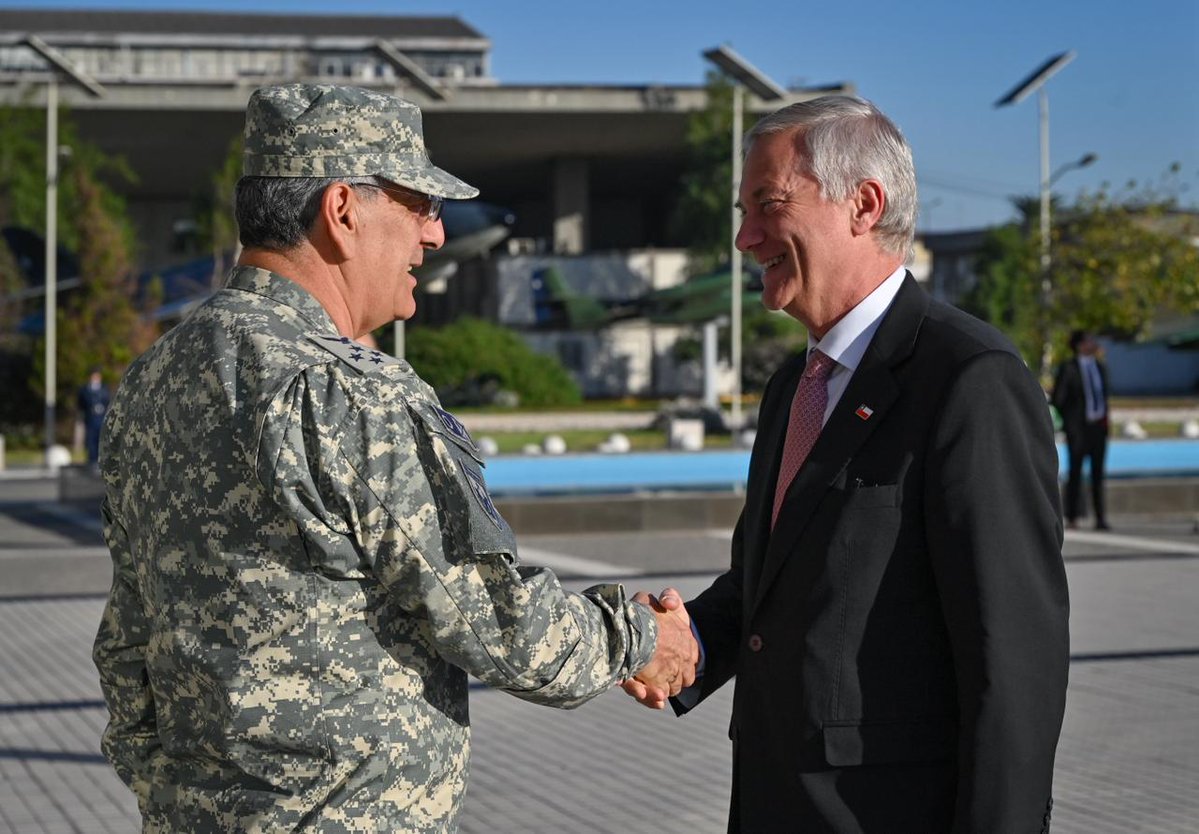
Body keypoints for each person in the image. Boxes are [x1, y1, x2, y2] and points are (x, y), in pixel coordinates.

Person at [92, 83, 696, 832]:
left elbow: (127, 638)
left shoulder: (154, 378)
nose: (434, 236)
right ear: (343, 212)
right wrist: (639, 638)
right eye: (420, 205)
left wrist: (168, 792)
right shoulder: (343, 391)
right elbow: (493, 620)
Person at [623, 96, 1070, 833]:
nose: (744, 237)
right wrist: (684, 643)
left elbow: (1011, 658)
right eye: (743, 212)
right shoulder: (792, 389)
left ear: (863, 204)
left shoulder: (967, 379)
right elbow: (767, 585)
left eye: (767, 205)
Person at [1052, 329, 1111, 530]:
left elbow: (1103, 396)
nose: (1092, 344)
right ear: (1078, 345)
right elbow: (1059, 398)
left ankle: (1100, 517)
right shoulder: (1068, 368)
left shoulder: (1100, 367)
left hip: (1098, 428)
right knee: (1076, 473)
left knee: (1098, 474)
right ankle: (1072, 516)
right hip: (1078, 429)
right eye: (1088, 341)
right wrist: (1071, 422)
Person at [76, 366, 110, 466]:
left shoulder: (104, 389)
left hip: (101, 419)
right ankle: (92, 461)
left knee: (100, 441)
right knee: (90, 441)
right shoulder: (85, 390)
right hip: (90, 419)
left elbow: (108, 402)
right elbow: (81, 404)